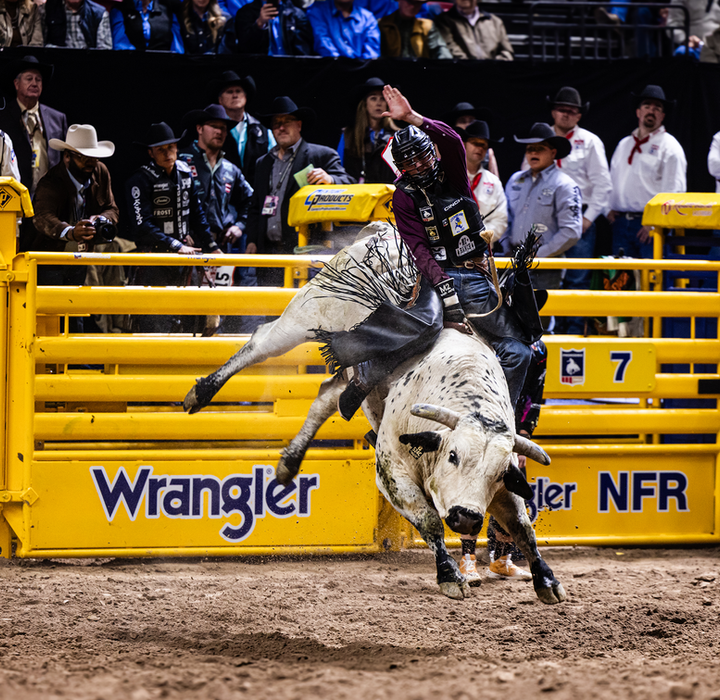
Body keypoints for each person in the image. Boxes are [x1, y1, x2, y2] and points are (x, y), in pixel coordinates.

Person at [337, 84, 538, 421]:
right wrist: (442, 285)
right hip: (431, 278)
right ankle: (366, 375)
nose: (418, 164)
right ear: (401, 168)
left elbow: (453, 141)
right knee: (423, 330)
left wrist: (413, 117)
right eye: (409, 162)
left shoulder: (456, 178)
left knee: (522, 351)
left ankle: (501, 423)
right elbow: (417, 245)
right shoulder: (403, 196)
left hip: (474, 277)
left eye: (422, 155)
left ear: (432, 152)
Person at [458, 339, 547, 583]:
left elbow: (532, 395)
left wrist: (524, 437)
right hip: (476, 425)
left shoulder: (535, 349)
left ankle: (502, 560)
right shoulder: (476, 342)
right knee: (472, 492)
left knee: (511, 494)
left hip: (508, 431)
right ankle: (468, 561)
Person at [245, 96, 354, 286]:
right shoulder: (263, 162)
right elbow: (256, 205)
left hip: (305, 250)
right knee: (266, 310)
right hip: (267, 250)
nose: (281, 127)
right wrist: (252, 240)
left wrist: (331, 179)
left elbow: (349, 184)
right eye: (277, 123)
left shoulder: (321, 155)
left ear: (299, 125)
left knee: (301, 309)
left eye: (286, 122)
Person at [125, 122, 220, 332]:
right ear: (151, 153)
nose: (167, 153)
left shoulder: (185, 174)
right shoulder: (139, 180)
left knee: (189, 316)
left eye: (170, 147)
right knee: (155, 318)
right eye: (160, 149)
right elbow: (142, 225)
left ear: (177, 148)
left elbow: (197, 214)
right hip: (155, 259)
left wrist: (211, 245)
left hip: (184, 257)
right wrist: (175, 245)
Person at [544, 87, 612, 334]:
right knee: (546, 277)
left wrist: (588, 218)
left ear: (579, 116)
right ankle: (546, 335)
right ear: (553, 111)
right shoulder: (541, 138)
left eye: (571, 111)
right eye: (562, 110)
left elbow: (603, 185)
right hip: (546, 217)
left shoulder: (590, 142)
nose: (565, 115)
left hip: (577, 215)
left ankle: (572, 336)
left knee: (577, 278)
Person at [31, 124, 118, 296]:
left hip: (81, 256)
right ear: (67, 157)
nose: (90, 162)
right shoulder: (51, 182)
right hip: (50, 258)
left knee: (76, 311)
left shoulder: (100, 171)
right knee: (52, 311)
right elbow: (41, 217)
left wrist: (100, 219)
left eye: (94, 157)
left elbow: (111, 208)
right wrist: (71, 232)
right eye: (83, 157)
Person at [608, 85, 687, 259]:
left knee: (652, 278)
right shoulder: (624, 144)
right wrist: (607, 208)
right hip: (621, 223)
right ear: (638, 112)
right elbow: (610, 180)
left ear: (662, 116)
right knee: (621, 282)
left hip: (650, 225)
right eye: (647, 106)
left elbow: (674, 192)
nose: (651, 111)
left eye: (657, 108)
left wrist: (654, 224)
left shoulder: (670, 146)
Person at [503, 122, 583, 293]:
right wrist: (505, 250)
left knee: (541, 316)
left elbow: (571, 231)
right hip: (513, 259)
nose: (533, 152)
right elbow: (505, 218)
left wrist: (540, 254)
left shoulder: (565, 185)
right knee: (508, 316)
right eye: (530, 148)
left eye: (540, 148)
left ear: (553, 152)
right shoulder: (515, 180)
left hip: (545, 263)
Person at [0, 56, 67, 198]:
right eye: (29, 78)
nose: (34, 83)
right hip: (15, 196)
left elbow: (64, 159)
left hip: (49, 199)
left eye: (38, 79)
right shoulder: (3, 118)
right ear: (16, 84)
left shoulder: (57, 118)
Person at [213, 71, 275, 187]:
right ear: (220, 100)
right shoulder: (212, 130)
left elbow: (276, 162)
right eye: (229, 92)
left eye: (238, 91)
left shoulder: (264, 131)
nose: (235, 95)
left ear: (245, 97)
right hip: (224, 197)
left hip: (257, 196)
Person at [338, 76, 399, 184]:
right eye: (373, 98)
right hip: (357, 195)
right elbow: (339, 169)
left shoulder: (397, 135)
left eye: (382, 99)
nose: (378, 103)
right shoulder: (349, 134)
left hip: (388, 195)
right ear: (365, 104)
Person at [435, 0, 513, 60]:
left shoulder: (495, 22)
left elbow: (507, 52)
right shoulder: (444, 21)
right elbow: (451, 50)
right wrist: (471, 68)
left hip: (493, 74)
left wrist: (494, 66)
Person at [231, 0, 314, 56]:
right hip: (259, 70)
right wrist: (259, 25)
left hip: (290, 69)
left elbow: (303, 52)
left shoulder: (297, 14)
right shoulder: (245, 13)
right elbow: (244, 50)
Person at [378, 0, 452, 58]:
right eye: (409, 2)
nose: (413, 6)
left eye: (418, 3)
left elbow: (441, 52)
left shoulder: (427, 26)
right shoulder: (381, 25)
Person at [307, 0, 380, 58]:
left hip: (362, 71)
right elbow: (323, 44)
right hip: (329, 70)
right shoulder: (317, 11)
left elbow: (371, 54)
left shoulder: (368, 18)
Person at [445, 101, 499, 177]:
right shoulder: (444, 148)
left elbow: (495, 181)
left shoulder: (486, 152)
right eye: (462, 121)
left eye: (471, 121)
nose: (467, 125)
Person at [110, 0, 185, 52]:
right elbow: (120, 46)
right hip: (132, 64)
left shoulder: (170, 8)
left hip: (165, 65)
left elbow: (177, 48)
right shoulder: (119, 10)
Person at [42, 0, 113, 49]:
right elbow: (40, 45)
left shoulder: (99, 14)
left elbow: (104, 50)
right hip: (56, 61)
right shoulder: (47, 10)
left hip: (88, 63)